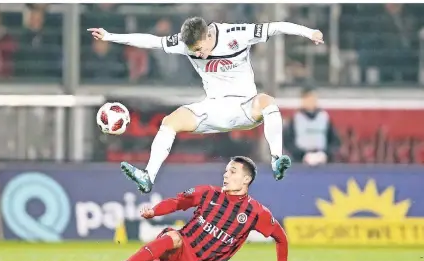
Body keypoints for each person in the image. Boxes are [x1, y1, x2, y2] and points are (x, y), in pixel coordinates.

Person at [88, 17, 324, 193]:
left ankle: (276, 159)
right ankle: (148, 176)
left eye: (200, 49)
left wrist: (309, 32)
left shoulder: (237, 34)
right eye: (194, 52)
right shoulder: (185, 43)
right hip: (213, 108)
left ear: (209, 35)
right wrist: (110, 36)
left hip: (245, 107)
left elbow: (276, 26)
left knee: (268, 102)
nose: (199, 56)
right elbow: (153, 42)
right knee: (169, 122)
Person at [35, 156, 291, 261]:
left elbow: (281, 238)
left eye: (232, 172)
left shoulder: (257, 213)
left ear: (246, 179)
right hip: (180, 245)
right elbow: (178, 202)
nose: (226, 175)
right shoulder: (208, 193)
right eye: (225, 171)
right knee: (174, 237)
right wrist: (154, 211)